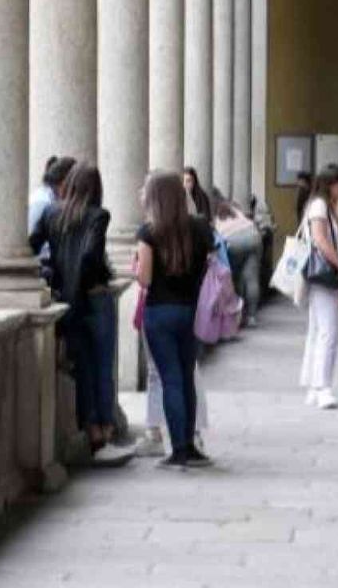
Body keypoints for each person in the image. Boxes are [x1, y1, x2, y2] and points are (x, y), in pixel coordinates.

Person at [29, 162, 133, 465]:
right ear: (96, 189)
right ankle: (106, 428)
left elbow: (31, 245)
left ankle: (93, 433)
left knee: (84, 367)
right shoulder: (98, 216)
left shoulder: (51, 214)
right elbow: (91, 255)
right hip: (95, 298)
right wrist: (95, 277)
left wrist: (53, 273)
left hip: (68, 301)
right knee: (102, 365)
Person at [135, 172, 216, 469]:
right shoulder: (198, 228)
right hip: (190, 311)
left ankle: (179, 450)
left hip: (159, 312)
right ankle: (191, 447)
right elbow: (210, 262)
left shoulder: (149, 232)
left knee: (170, 379)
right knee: (186, 378)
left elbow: (144, 278)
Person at [299, 164, 338, 409]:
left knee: (317, 330)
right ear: (331, 184)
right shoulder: (320, 206)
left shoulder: (320, 205)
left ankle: (313, 385)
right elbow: (320, 239)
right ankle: (323, 387)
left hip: (319, 273)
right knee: (328, 331)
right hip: (323, 273)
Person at [211, 191, 264, 328]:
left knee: (234, 278)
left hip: (233, 242)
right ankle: (252, 316)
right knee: (252, 279)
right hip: (253, 237)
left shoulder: (214, 213)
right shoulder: (233, 208)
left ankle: (237, 315)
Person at [29, 156, 76, 278]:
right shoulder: (42, 202)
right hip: (43, 267)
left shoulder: (51, 200)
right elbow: (32, 243)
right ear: (64, 182)